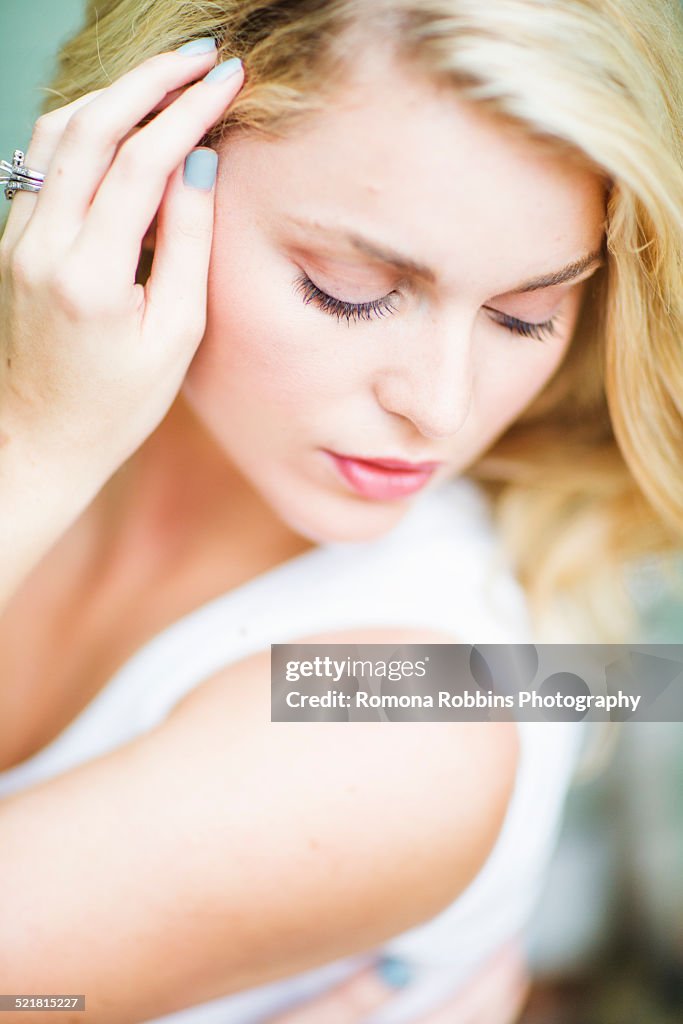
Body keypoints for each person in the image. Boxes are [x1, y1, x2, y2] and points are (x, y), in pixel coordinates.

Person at [0, 0, 681, 1021]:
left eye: (524, 313)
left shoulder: (406, 710)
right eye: (349, 289)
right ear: (139, 167)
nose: (440, 405)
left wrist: (40, 448)